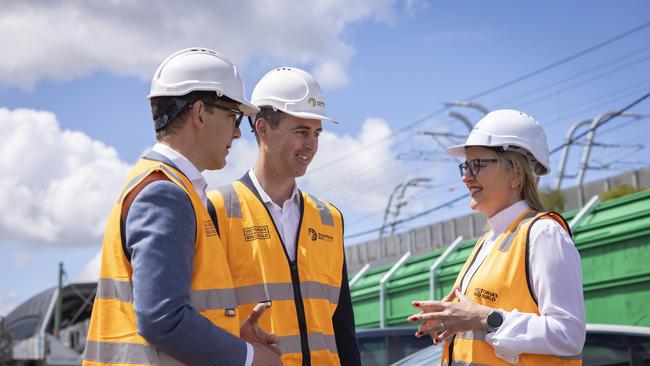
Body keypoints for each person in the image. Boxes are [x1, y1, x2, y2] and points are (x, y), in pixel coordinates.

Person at [83, 48, 281, 366]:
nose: (236, 132)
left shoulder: (175, 188)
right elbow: (162, 319)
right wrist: (248, 357)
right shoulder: (165, 193)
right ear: (200, 113)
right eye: (234, 116)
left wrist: (230, 335)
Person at [207, 67, 361, 366]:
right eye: (301, 132)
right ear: (263, 129)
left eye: (316, 133)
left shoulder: (329, 218)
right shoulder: (216, 210)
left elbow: (343, 327)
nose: (311, 145)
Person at [407, 109, 586, 365]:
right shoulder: (488, 241)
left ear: (515, 172)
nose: (465, 177)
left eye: (476, 164)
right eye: (465, 166)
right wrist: (452, 320)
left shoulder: (544, 234)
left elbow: (568, 335)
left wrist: (486, 318)